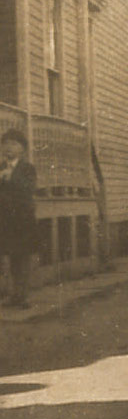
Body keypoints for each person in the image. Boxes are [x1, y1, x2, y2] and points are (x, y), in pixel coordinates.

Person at [0, 129, 38, 308]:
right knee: (12, 258)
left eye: (14, 144)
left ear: (22, 149)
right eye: (5, 143)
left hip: (23, 221)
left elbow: (28, 190)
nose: (8, 148)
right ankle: (14, 295)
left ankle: (23, 297)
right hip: (6, 221)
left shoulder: (27, 168)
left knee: (23, 258)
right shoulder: (1, 168)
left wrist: (10, 179)